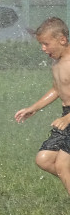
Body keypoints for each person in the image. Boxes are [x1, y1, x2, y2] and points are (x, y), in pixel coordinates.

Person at [15, 17, 70, 198]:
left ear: (62, 39)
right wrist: (34, 108)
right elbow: (57, 88)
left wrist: (68, 118)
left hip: (68, 118)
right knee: (44, 159)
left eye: (46, 44)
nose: (43, 48)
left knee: (63, 164)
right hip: (66, 116)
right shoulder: (56, 64)